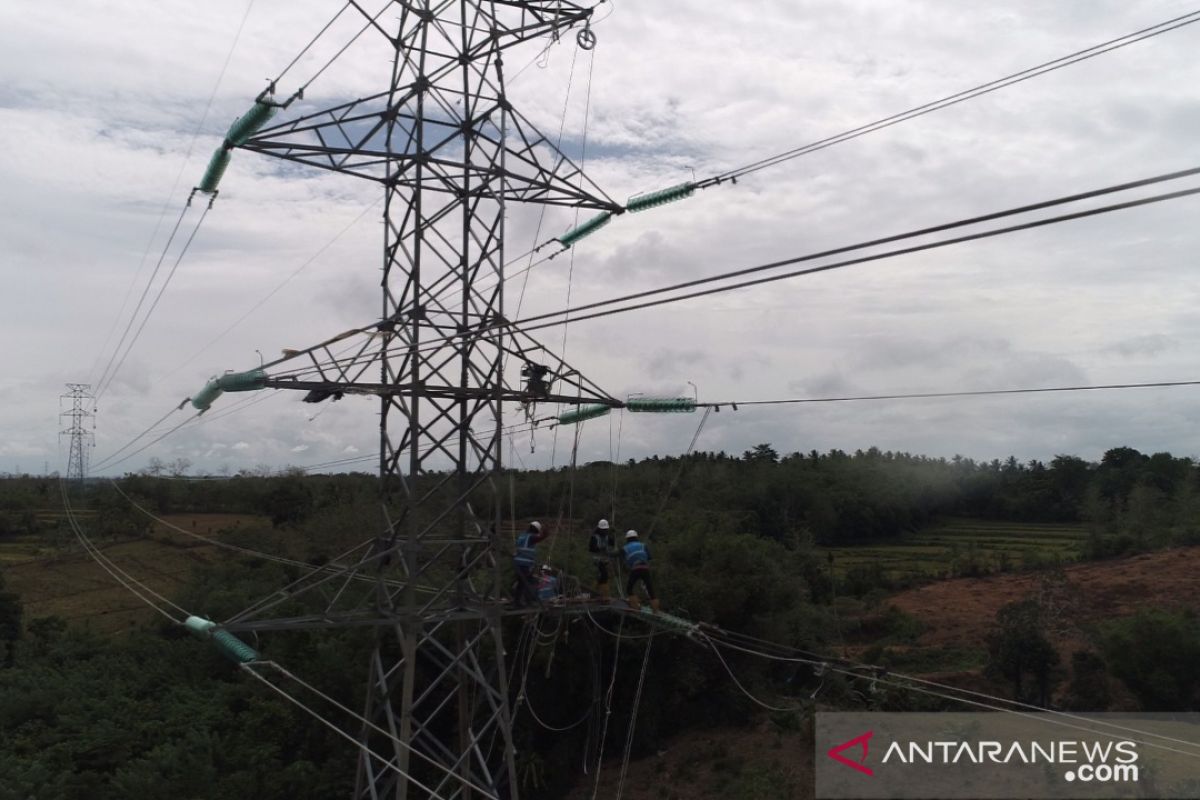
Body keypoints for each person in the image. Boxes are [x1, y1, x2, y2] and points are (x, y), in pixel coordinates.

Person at [622, 529, 659, 612]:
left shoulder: (625, 548)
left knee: (629, 588)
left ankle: (635, 607)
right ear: (636, 537)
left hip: (635, 569)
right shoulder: (643, 545)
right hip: (645, 568)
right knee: (650, 590)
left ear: (627, 539)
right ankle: (656, 611)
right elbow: (649, 557)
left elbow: (618, 556)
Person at [512, 521, 547, 607]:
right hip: (524, 564)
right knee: (530, 582)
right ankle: (528, 601)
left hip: (517, 563)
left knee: (521, 583)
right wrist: (546, 532)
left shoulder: (522, 536)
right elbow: (541, 537)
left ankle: (517, 602)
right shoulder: (531, 537)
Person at [588, 518, 616, 598]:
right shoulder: (594, 537)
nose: (605, 531)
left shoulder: (607, 537)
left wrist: (613, 534)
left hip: (605, 559)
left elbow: (612, 543)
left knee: (602, 576)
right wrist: (600, 548)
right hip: (597, 559)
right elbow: (591, 548)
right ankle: (603, 594)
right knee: (604, 575)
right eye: (603, 530)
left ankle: (595, 592)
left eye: (606, 530)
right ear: (599, 529)